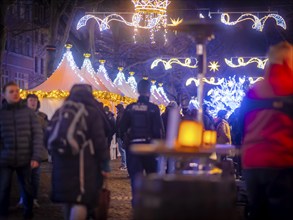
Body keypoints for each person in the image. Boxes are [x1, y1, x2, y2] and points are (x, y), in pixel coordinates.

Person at [240, 41, 293, 220]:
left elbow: (241, 123)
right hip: (281, 162)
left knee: (258, 212)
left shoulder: (255, 89)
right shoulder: (290, 86)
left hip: (252, 162)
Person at [46, 84, 110, 220]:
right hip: (84, 164)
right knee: (80, 200)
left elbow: (48, 135)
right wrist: (104, 163)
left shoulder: (60, 110)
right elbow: (100, 141)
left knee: (68, 199)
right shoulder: (92, 112)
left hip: (61, 162)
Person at [0, 82, 43, 219]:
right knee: (4, 189)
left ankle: (28, 213)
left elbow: (37, 135)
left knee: (27, 188)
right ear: (4, 94)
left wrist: (36, 157)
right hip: (5, 159)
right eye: (11, 91)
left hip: (25, 158)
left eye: (17, 91)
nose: (15, 93)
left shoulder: (28, 113)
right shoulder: (1, 114)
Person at [120, 79, 164, 206]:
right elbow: (158, 130)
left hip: (134, 148)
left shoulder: (129, 108)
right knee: (152, 177)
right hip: (150, 148)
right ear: (149, 92)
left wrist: (128, 138)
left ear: (138, 91)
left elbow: (122, 128)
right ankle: (152, 203)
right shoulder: (154, 109)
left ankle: (137, 203)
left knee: (136, 178)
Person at [17, 94, 49, 208]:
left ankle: (33, 198)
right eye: (31, 100)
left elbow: (47, 132)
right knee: (24, 177)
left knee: (35, 176)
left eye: (35, 100)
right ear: (26, 102)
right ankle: (23, 198)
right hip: (23, 151)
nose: (33, 102)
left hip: (37, 152)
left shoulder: (42, 116)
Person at [115, 104, 127, 170]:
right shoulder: (124, 114)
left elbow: (118, 126)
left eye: (117, 108)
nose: (116, 109)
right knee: (123, 150)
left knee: (122, 150)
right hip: (123, 135)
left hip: (120, 135)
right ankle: (124, 164)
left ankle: (124, 164)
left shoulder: (120, 115)